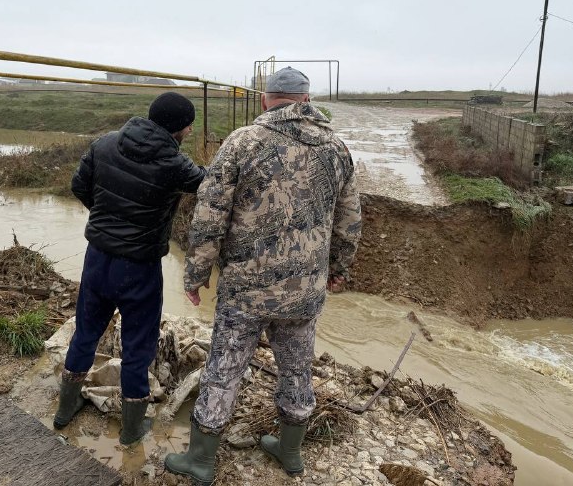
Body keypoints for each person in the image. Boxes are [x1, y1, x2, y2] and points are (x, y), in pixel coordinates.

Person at [164, 67, 362, 484]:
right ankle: (290, 452)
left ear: (264, 99)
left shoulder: (242, 142)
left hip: (246, 292)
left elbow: (209, 215)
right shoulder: (338, 148)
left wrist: (195, 273)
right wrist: (338, 270)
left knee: (224, 369)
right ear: (306, 100)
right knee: (296, 368)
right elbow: (349, 221)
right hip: (304, 292)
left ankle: (201, 461)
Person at [53, 91, 206, 446]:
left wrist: (106, 219)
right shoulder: (174, 164)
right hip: (140, 268)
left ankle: (65, 408)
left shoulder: (105, 143)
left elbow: (79, 186)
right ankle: (132, 429)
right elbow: (207, 182)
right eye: (188, 126)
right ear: (183, 128)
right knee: (139, 345)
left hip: (98, 258)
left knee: (86, 331)